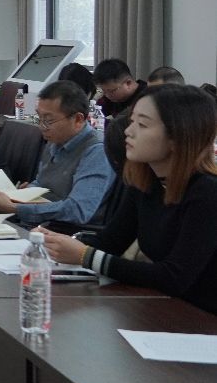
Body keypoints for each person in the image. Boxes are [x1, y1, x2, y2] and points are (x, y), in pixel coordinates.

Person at [42, 84, 217, 315]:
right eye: (132, 121)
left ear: (177, 137)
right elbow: (111, 242)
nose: (128, 131)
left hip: (202, 318)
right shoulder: (145, 183)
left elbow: (174, 277)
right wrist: (54, 243)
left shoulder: (207, 192)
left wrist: (85, 256)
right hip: (161, 308)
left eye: (142, 125)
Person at [0, 81, 115, 225]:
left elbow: (77, 210)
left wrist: (15, 208)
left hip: (66, 231)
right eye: (39, 118)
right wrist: (26, 192)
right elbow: (42, 182)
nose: (42, 126)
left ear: (78, 119)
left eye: (48, 120)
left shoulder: (97, 151)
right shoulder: (55, 139)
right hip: (38, 223)